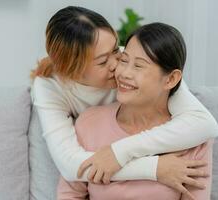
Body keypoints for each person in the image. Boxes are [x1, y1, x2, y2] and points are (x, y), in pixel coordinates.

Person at [31, 6, 217, 198]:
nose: (119, 67)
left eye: (116, 50)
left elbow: (205, 124)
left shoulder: (138, 65)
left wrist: (119, 152)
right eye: (103, 62)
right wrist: (155, 169)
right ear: (72, 71)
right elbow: (71, 166)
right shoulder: (55, 93)